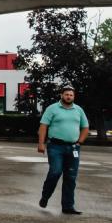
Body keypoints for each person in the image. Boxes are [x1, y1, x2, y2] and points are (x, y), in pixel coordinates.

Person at [37, 85, 89, 214]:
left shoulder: (79, 110)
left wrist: (79, 142)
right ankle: (45, 197)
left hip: (73, 148)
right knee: (55, 172)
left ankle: (68, 207)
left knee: (71, 177)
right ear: (61, 95)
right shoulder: (52, 108)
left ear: (74, 96)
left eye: (71, 95)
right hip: (55, 147)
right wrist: (41, 143)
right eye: (66, 94)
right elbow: (43, 126)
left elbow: (85, 127)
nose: (68, 96)